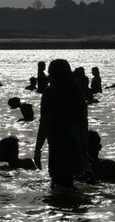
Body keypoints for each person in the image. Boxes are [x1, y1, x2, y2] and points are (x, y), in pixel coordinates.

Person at [34, 59, 92, 190]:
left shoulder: (50, 92)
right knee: (74, 182)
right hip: (78, 141)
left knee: (60, 185)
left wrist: (38, 149)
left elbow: (45, 122)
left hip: (60, 144)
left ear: (54, 74)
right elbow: (84, 122)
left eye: (50, 72)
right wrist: (85, 146)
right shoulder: (77, 92)